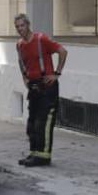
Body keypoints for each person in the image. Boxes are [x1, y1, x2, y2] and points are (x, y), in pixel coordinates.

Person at [14, 12, 67, 167]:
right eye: (17, 27)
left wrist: (56, 74)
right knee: (32, 123)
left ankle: (44, 156)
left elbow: (62, 51)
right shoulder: (19, 45)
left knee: (43, 123)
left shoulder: (41, 39)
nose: (20, 29)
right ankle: (34, 153)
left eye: (22, 25)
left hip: (47, 88)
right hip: (34, 88)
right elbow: (21, 63)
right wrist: (25, 78)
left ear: (28, 25)